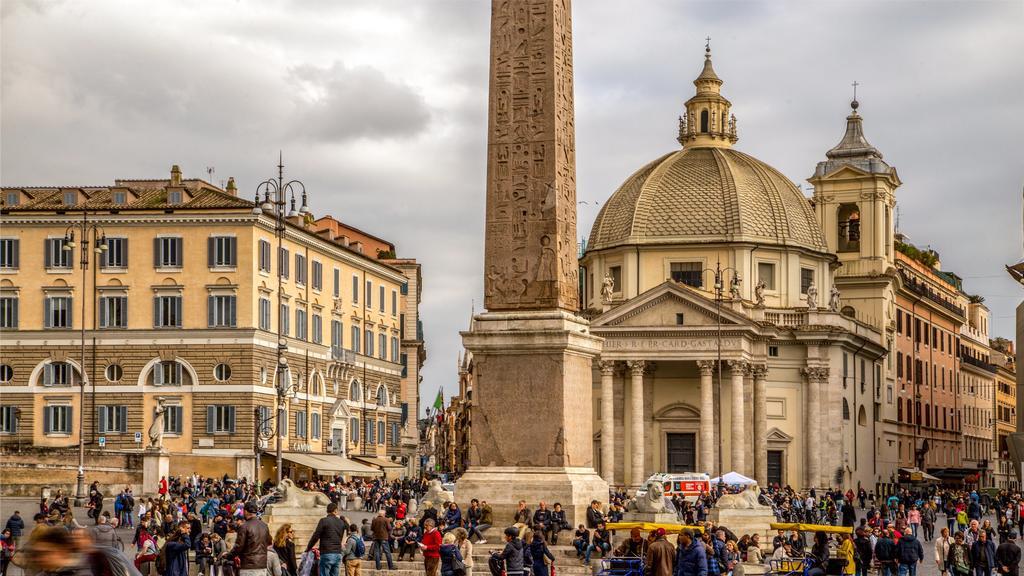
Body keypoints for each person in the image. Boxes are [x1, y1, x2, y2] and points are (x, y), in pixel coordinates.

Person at [224, 501, 271, 576]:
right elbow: (269, 542)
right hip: (262, 565)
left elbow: (239, 546)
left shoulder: (244, 526)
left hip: (248, 565)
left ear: (245, 511)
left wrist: (228, 556)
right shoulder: (264, 526)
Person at [307, 502, 348, 576]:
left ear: (327, 511)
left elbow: (316, 536)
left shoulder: (323, 521)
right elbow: (347, 528)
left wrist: (308, 547)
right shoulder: (341, 522)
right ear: (335, 510)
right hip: (338, 553)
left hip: (327, 552)